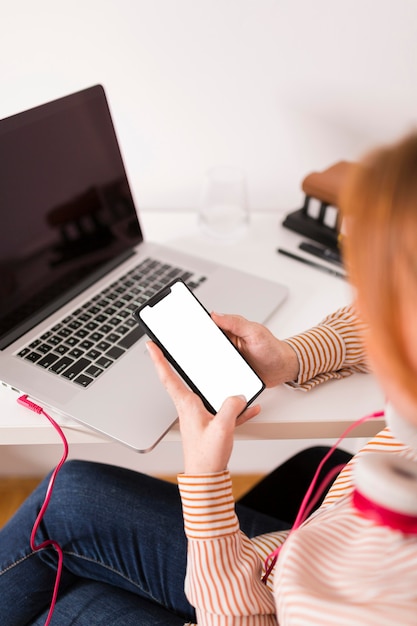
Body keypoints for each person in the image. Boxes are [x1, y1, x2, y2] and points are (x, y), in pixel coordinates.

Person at [0, 132, 415, 624]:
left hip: (274, 593)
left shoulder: (384, 577)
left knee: (66, 570)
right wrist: (290, 357)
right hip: (312, 539)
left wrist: (204, 480)